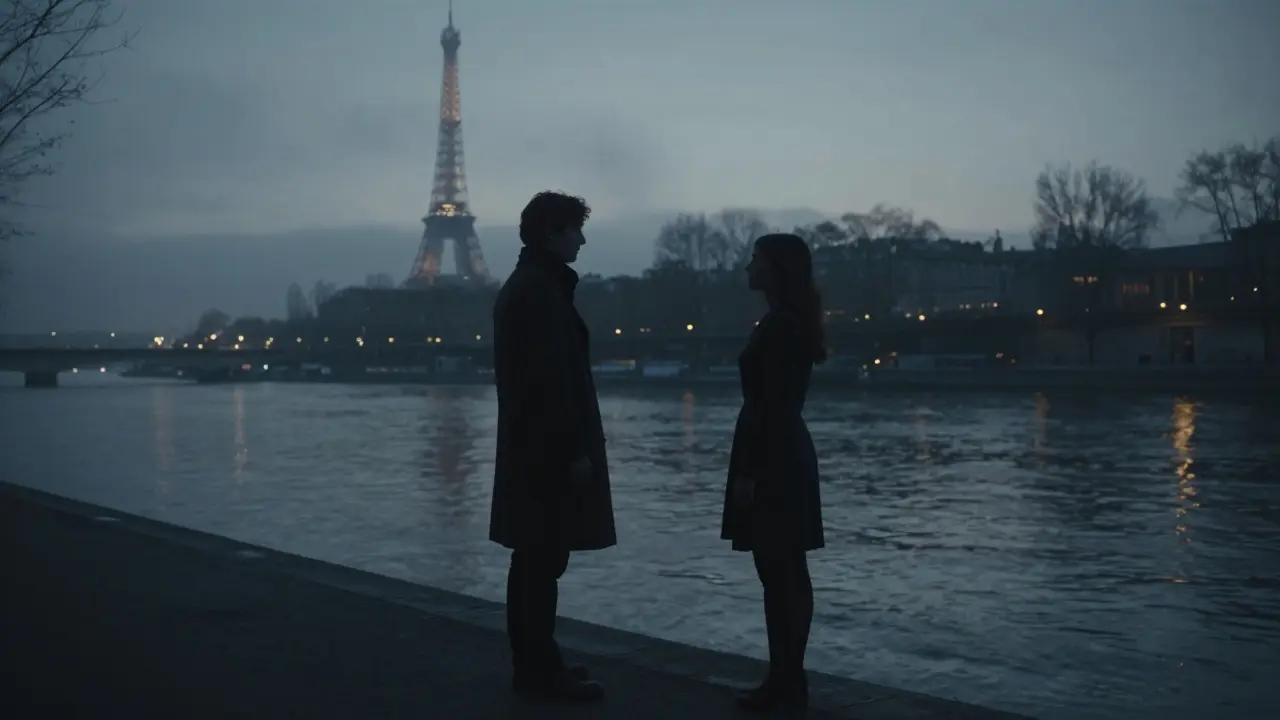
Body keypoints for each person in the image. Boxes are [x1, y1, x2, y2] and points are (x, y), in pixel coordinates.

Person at [489, 190, 616, 704]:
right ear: (550, 233)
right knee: (542, 563)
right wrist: (574, 452)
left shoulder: (529, 287)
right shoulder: (540, 293)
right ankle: (541, 672)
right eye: (574, 230)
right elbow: (551, 383)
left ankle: (537, 662)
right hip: (547, 453)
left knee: (534, 561)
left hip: (531, 448)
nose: (582, 239)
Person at [721, 233, 827, 713]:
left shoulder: (778, 327)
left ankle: (783, 681)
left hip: (772, 456)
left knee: (776, 570)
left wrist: (748, 471)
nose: (747, 267)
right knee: (788, 570)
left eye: (755, 260)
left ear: (775, 270)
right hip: (786, 452)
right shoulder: (788, 323)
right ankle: (788, 678)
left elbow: (766, 406)